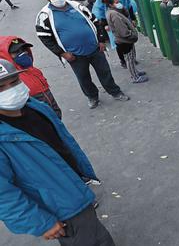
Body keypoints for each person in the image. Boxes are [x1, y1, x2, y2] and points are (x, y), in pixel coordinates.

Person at [0, 59, 116, 245]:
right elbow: (4, 196)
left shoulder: (35, 107)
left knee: (97, 234)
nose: (10, 90)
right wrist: (41, 223)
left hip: (74, 187)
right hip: (60, 207)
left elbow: (64, 144)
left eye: (14, 82)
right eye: (1, 87)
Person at [35, 0, 130, 109]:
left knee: (105, 72)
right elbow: (45, 38)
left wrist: (101, 41)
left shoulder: (77, 6)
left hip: (95, 48)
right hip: (74, 55)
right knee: (83, 78)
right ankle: (92, 96)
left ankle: (115, 92)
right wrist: (62, 53)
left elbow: (95, 21)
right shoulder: (44, 15)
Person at [0, 37, 62, 118]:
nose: (23, 53)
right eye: (16, 52)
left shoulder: (33, 70)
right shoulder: (13, 79)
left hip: (53, 114)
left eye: (23, 49)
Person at [92, 0, 139, 69]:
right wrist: (104, 24)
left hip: (125, 21)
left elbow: (130, 6)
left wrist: (133, 19)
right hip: (112, 24)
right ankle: (123, 60)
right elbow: (99, 12)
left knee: (129, 41)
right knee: (119, 43)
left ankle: (131, 58)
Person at [103, 0, 147, 84]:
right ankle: (135, 77)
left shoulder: (113, 12)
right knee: (129, 59)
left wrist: (122, 8)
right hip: (125, 40)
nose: (118, 3)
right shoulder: (114, 14)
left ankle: (135, 73)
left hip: (124, 39)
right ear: (111, 5)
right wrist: (131, 35)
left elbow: (126, 14)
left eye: (118, 1)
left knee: (131, 57)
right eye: (116, 2)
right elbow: (122, 30)